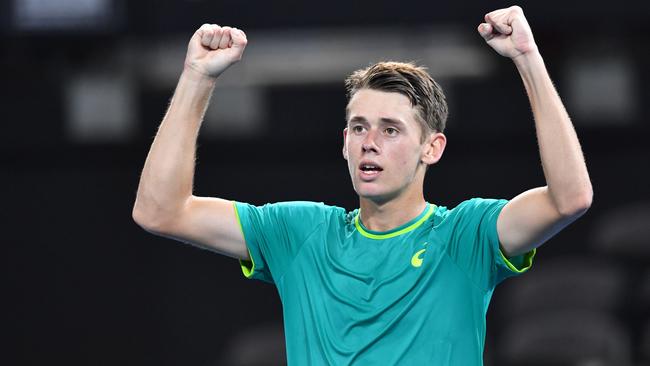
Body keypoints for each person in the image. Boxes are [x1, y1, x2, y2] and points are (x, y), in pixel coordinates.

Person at [132, 6, 592, 365]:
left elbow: (569, 199)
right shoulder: (299, 233)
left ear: (431, 148)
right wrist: (197, 77)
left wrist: (528, 59)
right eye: (358, 127)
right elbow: (160, 211)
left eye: (390, 130)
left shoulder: (464, 235)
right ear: (344, 143)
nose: (369, 143)